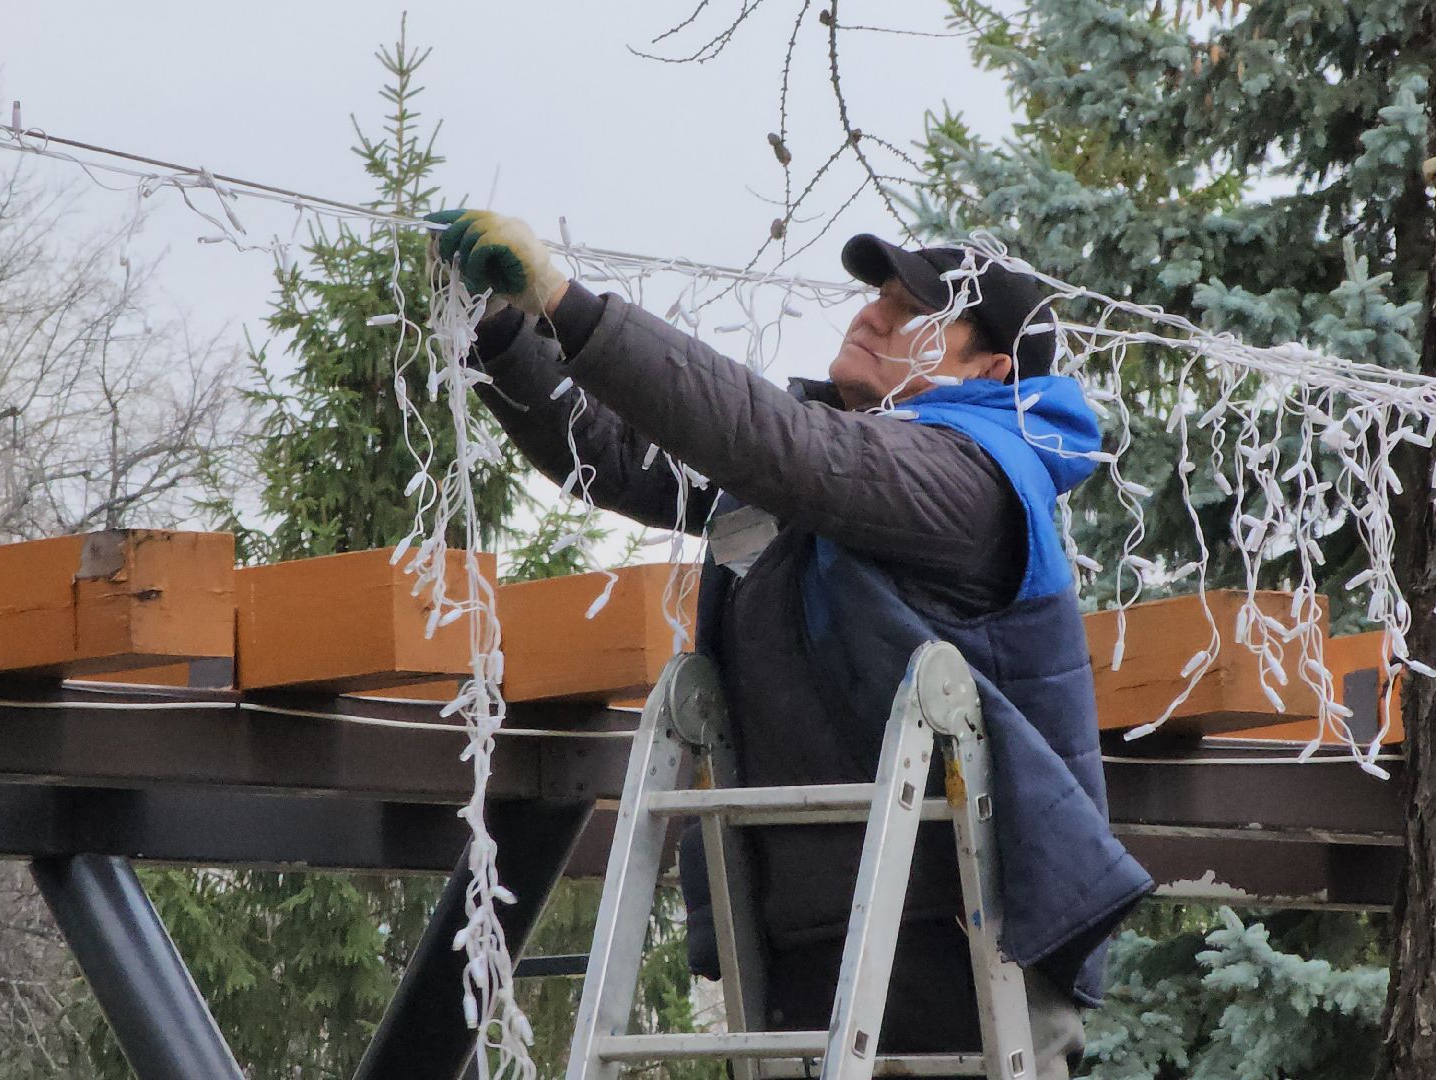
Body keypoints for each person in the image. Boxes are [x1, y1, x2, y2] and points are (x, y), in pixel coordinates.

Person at [427, 209, 1152, 1079]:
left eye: (914, 311)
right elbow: (617, 455)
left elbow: (785, 449)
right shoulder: (817, 474)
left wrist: (568, 304)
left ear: (989, 369)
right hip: (805, 934)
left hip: (962, 951)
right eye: (877, 297)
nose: (873, 316)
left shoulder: (975, 474)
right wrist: (505, 328)